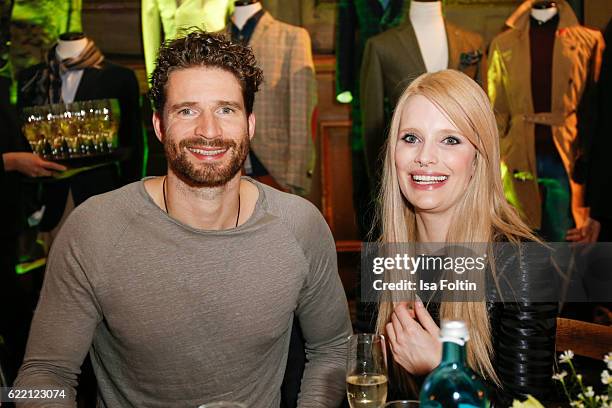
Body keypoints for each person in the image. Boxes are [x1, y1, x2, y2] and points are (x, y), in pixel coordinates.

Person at [14, 31, 352, 407]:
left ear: (249, 125)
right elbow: (44, 373)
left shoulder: (299, 225)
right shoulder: (95, 228)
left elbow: (333, 349)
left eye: (226, 110)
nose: (208, 131)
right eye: (187, 110)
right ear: (160, 126)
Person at [373, 70, 557, 404]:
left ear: (477, 160)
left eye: (450, 140)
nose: (425, 157)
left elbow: (528, 404)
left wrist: (442, 370)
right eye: (411, 138)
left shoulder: (521, 262)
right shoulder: (385, 256)